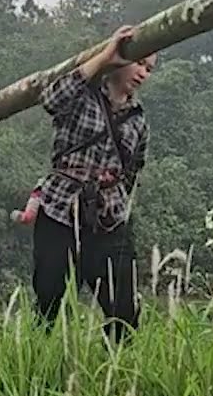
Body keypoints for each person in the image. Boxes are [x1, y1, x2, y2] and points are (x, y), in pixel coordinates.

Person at [21, 25, 154, 342]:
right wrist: (105, 56)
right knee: (49, 298)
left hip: (109, 220)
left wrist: (111, 192)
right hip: (60, 210)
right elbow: (50, 98)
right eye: (139, 63)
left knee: (124, 309)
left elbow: (133, 170)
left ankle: (116, 368)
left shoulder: (138, 120)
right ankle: (38, 361)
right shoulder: (82, 95)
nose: (143, 73)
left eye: (150, 69)